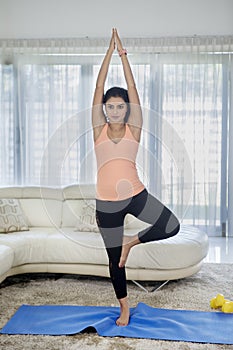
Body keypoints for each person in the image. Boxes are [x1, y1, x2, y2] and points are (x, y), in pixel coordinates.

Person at [92, 28, 180, 326]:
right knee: (115, 261)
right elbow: (99, 83)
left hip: (135, 194)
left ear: (126, 108)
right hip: (107, 205)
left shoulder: (135, 128)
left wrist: (123, 54)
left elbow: (131, 85)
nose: (115, 110)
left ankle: (132, 241)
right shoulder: (98, 129)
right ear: (104, 109)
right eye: (110, 106)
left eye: (120, 106)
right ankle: (124, 308)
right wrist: (108, 52)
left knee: (171, 225)